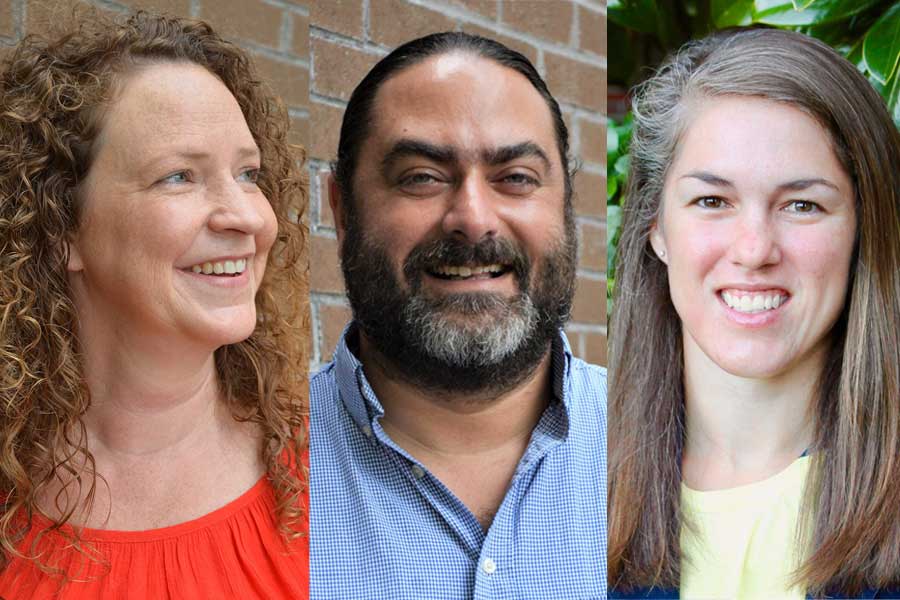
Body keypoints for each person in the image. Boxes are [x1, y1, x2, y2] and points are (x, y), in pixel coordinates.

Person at [0, 10, 309, 598]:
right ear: (62, 227)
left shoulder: (331, 481)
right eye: (178, 177)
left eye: (249, 173)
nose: (246, 216)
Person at [309, 32, 607, 598]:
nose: (472, 219)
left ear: (567, 209)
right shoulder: (257, 462)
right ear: (342, 210)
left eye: (516, 178)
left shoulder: (655, 446)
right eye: (421, 176)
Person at [608, 27, 900, 599]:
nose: (754, 249)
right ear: (656, 227)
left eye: (802, 205)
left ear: (864, 231)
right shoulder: (558, 501)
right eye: (712, 201)